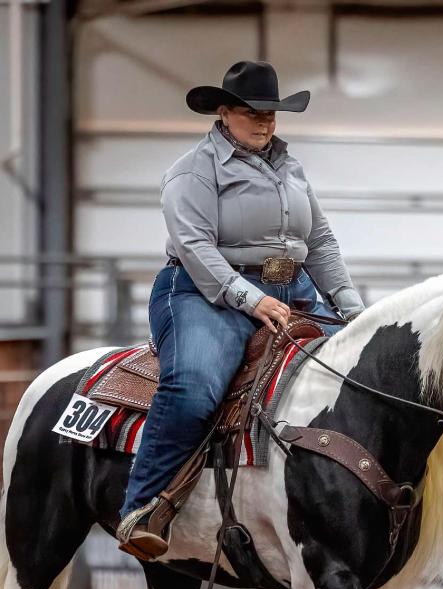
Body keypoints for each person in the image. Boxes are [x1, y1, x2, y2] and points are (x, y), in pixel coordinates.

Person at [116, 60, 365, 560]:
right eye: (253, 113)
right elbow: (195, 247)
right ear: (225, 113)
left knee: (360, 377)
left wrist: (354, 310)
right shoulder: (192, 171)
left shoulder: (290, 168)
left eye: (272, 112)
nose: (266, 121)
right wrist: (251, 299)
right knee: (193, 388)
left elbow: (319, 242)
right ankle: (143, 506)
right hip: (203, 294)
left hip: (293, 291)